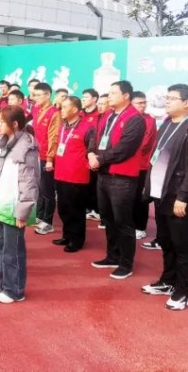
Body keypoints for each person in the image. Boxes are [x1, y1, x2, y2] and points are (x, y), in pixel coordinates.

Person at [88, 81, 146, 280]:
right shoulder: (109, 115)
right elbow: (96, 137)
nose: (109, 96)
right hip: (103, 175)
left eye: (113, 93)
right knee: (108, 219)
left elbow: (125, 148)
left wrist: (100, 159)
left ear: (126, 96)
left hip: (122, 179)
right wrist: (91, 153)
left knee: (123, 222)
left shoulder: (135, 119)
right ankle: (112, 256)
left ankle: (126, 263)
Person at [0, 106, 40, 304]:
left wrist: (22, 211)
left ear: (14, 124)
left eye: (2, 121)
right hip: (0, 203)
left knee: (13, 251)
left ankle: (15, 290)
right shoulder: (4, 143)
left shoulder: (27, 146)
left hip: (13, 207)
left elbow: (29, 182)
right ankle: (3, 283)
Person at [141, 84, 188, 310]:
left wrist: (183, 197)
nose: (167, 101)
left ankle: (183, 291)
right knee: (166, 241)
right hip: (161, 194)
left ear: (186, 103)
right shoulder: (168, 123)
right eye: (166, 97)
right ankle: (168, 281)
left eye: (172, 98)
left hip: (178, 197)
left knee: (182, 246)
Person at [53, 97, 92, 253]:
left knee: (75, 210)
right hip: (61, 173)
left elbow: (91, 150)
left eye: (64, 107)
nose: (61, 110)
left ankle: (77, 240)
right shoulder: (63, 126)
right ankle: (67, 235)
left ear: (75, 109)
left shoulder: (87, 128)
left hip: (77, 176)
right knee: (63, 208)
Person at [32, 82, 61, 235]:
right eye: (34, 95)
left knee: (47, 190)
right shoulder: (37, 110)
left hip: (46, 156)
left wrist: (50, 158)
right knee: (39, 188)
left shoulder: (54, 113)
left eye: (38, 95)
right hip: (37, 154)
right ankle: (40, 215)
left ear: (48, 95)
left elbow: (53, 137)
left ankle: (48, 222)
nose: (35, 98)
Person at [131, 91, 158, 240]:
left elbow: (145, 143)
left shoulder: (149, 120)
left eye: (144, 102)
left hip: (142, 166)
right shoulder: (126, 118)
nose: (143, 105)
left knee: (140, 197)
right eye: (139, 103)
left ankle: (140, 227)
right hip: (126, 165)